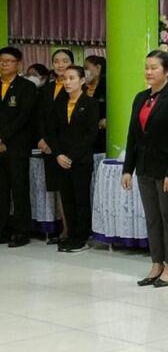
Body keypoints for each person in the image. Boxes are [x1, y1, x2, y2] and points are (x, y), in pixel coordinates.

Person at [122, 51, 168, 287]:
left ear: (167, 71)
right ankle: (156, 262)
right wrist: (128, 168)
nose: (148, 72)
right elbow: (133, 135)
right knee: (152, 219)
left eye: (154, 67)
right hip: (144, 168)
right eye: (146, 67)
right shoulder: (140, 97)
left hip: (167, 169)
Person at [47, 66, 99, 253]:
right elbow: (52, 131)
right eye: (65, 79)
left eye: (71, 78)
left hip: (80, 160)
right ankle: (70, 233)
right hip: (61, 159)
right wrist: (58, 154)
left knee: (80, 199)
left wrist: (71, 156)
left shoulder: (90, 103)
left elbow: (91, 133)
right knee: (67, 198)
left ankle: (81, 237)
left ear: (82, 81)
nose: (67, 82)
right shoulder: (60, 103)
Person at [0, 47, 39, 247]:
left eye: (9, 61)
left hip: (16, 147)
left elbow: (24, 117)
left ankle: (22, 231)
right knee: (1, 190)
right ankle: (2, 229)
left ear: (18, 63)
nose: (4, 64)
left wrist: (3, 139)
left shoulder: (27, 87)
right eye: (1, 61)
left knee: (19, 189)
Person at [38, 49, 74, 244]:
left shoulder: (77, 88)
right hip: (49, 146)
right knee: (59, 190)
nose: (60, 65)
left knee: (69, 190)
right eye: (56, 61)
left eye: (65, 61)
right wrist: (41, 139)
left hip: (67, 147)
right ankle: (64, 229)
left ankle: (70, 231)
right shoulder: (46, 88)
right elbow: (39, 117)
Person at [85, 55, 107, 155]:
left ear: (98, 68)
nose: (85, 72)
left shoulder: (107, 85)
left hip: (101, 136)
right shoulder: (83, 87)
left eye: (86, 68)